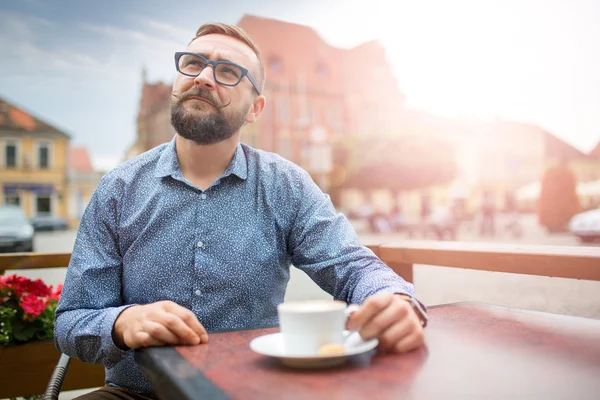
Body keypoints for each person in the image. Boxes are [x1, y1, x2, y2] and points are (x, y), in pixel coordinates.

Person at [54, 22, 427, 400]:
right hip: (138, 394)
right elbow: (72, 320)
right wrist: (121, 322)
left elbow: (352, 265)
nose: (203, 77)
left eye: (228, 72)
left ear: (255, 109)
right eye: (193, 63)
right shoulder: (119, 187)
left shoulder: (286, 185)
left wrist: (393, 300)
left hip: (254, 390)